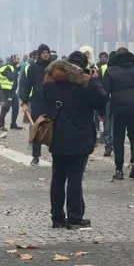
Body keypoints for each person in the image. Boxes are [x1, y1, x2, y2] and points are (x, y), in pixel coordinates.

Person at [43, 52, 107, 228]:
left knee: (57, 178)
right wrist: (94, 79)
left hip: (56, 135)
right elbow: (102, 100)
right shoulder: (85, 82)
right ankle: (74, 216)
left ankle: (57, 218)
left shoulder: (51, 79)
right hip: (79, 135)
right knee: (74, 177)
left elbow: (44, 98)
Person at [102, 47, 134, 180]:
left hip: (119, 107)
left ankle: (119, 169)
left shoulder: (110, 71)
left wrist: (102, 111)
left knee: (118, 137)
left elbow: (105, 92)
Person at [20, 44, 52, 165]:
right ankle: (36, 155)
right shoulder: (33, 67)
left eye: (47, 52)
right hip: (37, 101)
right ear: (39, 54)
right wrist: (24, 100)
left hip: (51, 102)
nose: (45, 54)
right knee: (37, 128)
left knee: (53, 128)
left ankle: (55, 153)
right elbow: (28, 85)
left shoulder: (53, 67)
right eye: (43, 52)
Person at [0, 54, 23, 131]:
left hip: (12, 91)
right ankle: (1, 125)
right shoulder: (8, 67)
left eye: (19, 58)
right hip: (5, 91)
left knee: (16, 107)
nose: (19, 60)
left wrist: (16, 69)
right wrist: (17, 69)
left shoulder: (14, 67)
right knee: (6, 107)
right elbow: (11, 78)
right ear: (12, 59)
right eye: (17, 59)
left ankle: (13, 124)